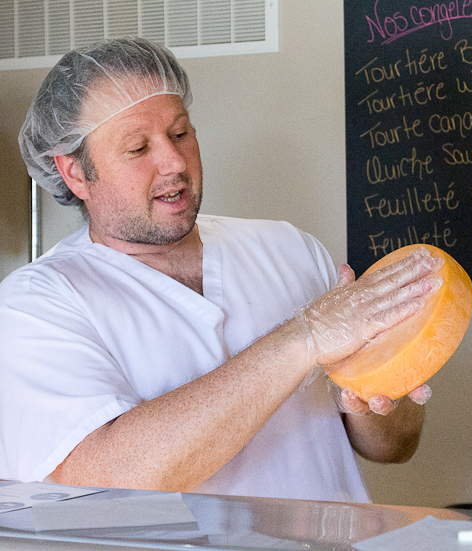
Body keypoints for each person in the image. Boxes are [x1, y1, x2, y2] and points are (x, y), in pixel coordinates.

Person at [0, 37, 444, 502]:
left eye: (180, 133)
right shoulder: (37, 305)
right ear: (74, 172)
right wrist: (304, 337)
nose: (174, 162)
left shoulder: (290, 248)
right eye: (137, 148)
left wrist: (379, 401)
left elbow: (394, 447)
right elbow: (106, 480)